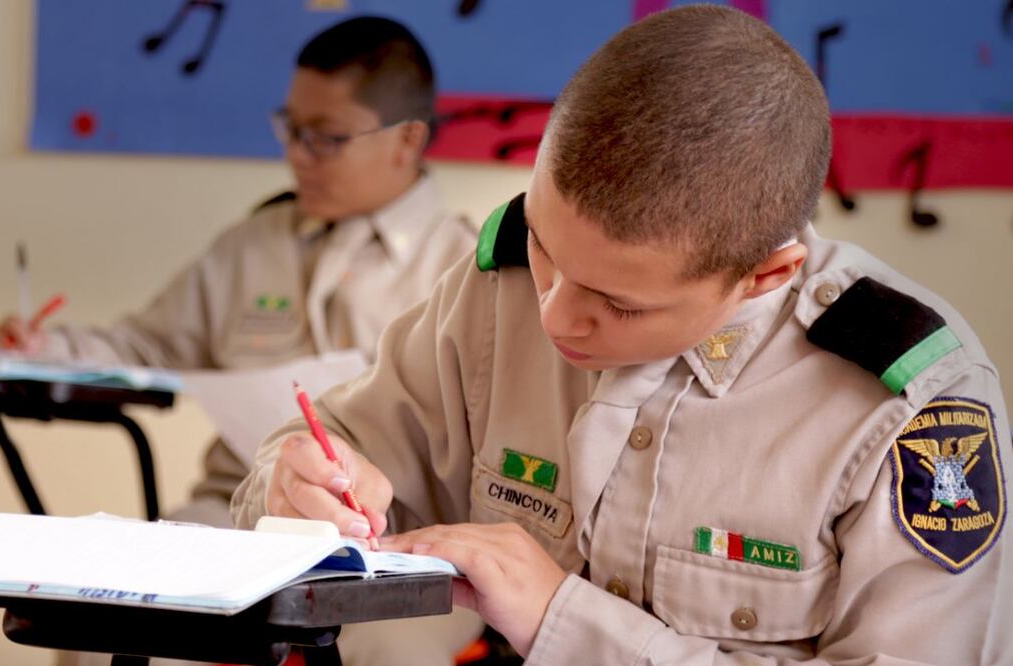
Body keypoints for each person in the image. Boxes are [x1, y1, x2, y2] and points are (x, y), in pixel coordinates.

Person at [232, 6, 1012, 665]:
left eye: (620, 304)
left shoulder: (910, 404)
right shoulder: (497, 287)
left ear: (765, 275)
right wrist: (292, 484)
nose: (553, 317)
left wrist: (562, 623)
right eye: (543, 246)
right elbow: (332, 447)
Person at [0, 16, 482, 666]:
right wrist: (41, 348)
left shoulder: (467, 269)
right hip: (236, 517)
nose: (298, 154)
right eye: (291, 129)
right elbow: (143, 345)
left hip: (394, 544)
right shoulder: (253, 246)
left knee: (393, 650)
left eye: (325, 138)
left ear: (407, 140)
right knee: (109, 621)